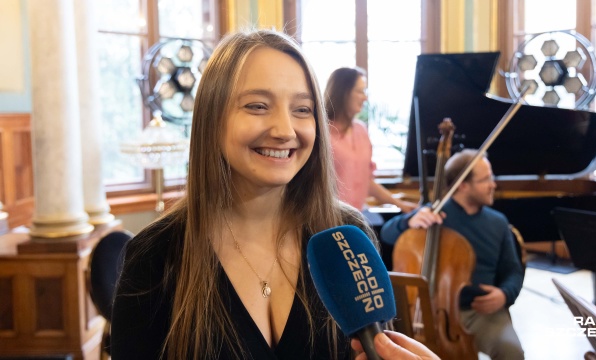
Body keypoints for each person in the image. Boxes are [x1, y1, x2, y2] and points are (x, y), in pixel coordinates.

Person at [111, 29, 438, 360]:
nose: (285, 131)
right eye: (257, 106)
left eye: (302, 109)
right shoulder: (154, 255)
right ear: (212, 118)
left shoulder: (346, 239)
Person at [380, 149, 525, 360]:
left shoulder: (498, 222)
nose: (493, 184)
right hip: (433, 313)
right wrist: (407, 221)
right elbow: (387, 233)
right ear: (463, 185)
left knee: (512, 351)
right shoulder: (433, 215)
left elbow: (513, 271)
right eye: (486, 179)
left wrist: (504, 294)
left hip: (481, 313)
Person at [324, 67, 417, 214]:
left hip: (355, 216)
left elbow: (365, 181)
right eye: (360, 91)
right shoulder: (322, 133)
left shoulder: (361, 130)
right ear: (343, 92)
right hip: (327, 217)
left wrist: (399, 204)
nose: (365, 98)